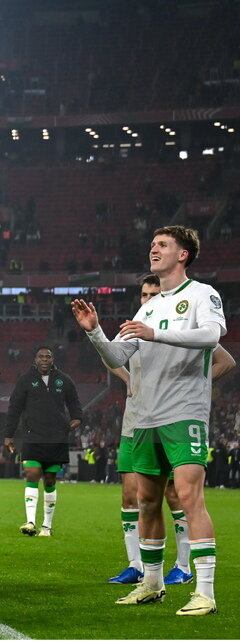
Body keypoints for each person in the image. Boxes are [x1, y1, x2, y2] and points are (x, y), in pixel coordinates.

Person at [72, 225, 225, 616]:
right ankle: (152, 584)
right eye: (152, 244)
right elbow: (117, 358)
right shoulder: (149, 307)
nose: (152, 250)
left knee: (190, 497)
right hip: (147, 416)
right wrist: (95, 333)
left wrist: (155, 334)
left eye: (162, 245)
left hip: (183, 411)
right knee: (148, 503)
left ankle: (204, 592)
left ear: (183, 254)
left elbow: (210, 336)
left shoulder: (201, 295)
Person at [107, 273, 235, 586]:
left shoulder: (176, 325)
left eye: (154, 293)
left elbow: (225, 360)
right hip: (136, 420)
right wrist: (127, 379)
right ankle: (136, 565)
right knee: (132, 495)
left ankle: (183, 565)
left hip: (173, 415)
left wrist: (195, 387)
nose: (149, 299)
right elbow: (112, 355)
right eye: (144, 294)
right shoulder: (140, 323)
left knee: (176, 494)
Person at [3, 346, 82, 537]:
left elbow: (74, 403)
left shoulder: (64, 380)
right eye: (41, 356)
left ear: (52, 359)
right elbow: (14, 408)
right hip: (33, 436)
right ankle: (30, 521)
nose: (44, 359)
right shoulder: (26, 380)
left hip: (57, 437)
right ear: (35, 360)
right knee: (32, 473)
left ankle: (46, 526)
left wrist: (77, 417)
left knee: (49, 479)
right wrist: (8, 435)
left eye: (48, 356)